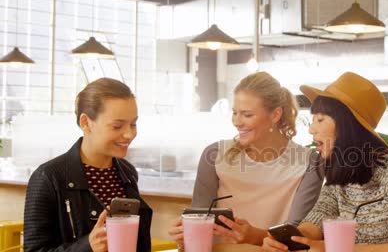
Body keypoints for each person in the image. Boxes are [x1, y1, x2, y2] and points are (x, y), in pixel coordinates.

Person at [262, 72, 388, 252]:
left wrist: (341, 249)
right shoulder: (342, 173)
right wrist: (288, 240)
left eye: (320, 119)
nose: (311, 129)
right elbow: (314, 222)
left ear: (347, 124)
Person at [169, 71, 323, 247]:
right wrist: (185, 234)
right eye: (235, 113)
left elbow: (297, 238)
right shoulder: (214, 155)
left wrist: (255, 236)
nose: (237, 121)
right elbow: (197, 220)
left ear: (275, 115)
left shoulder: (309, 162)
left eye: (247, 115)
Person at [23, 78, 152, 252]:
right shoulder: (48, 177)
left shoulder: (127, 173)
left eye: (133, 124)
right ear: (85, 123)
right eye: (117, 126)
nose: (129, 134)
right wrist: (87, 246)